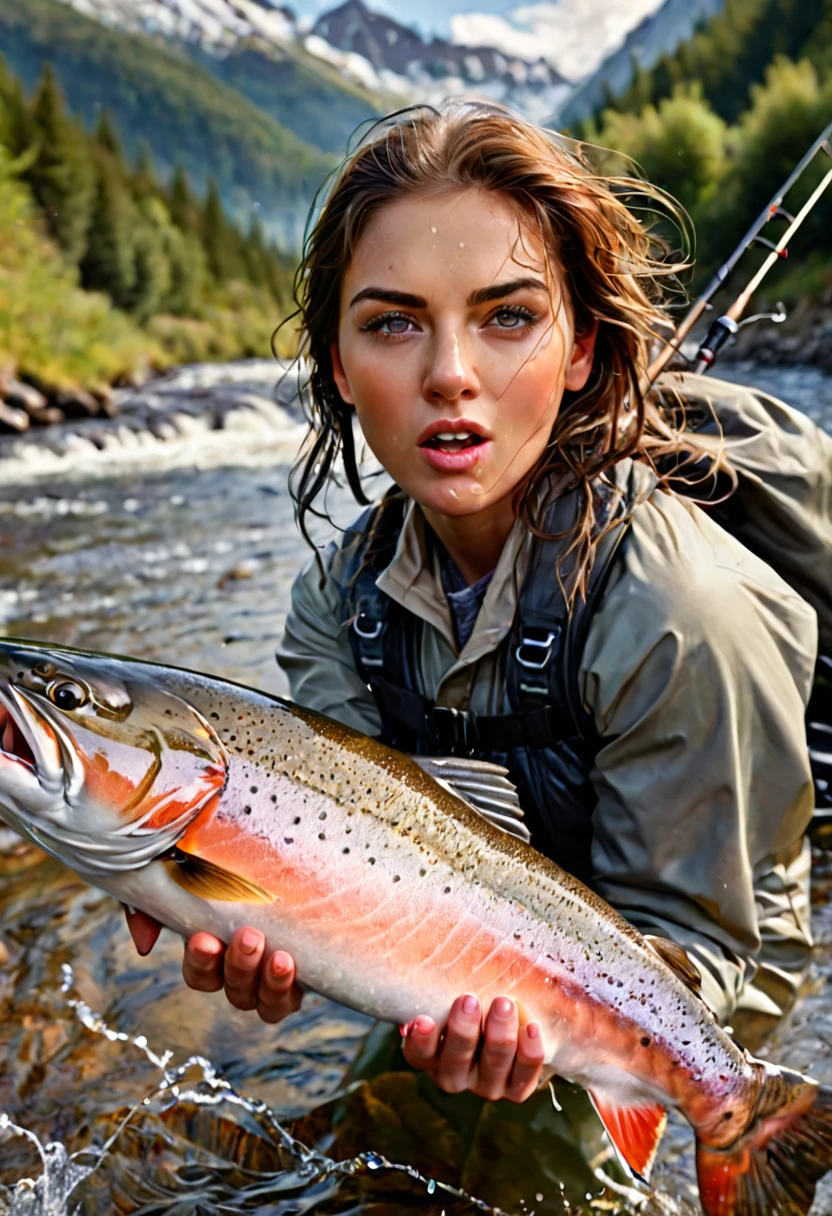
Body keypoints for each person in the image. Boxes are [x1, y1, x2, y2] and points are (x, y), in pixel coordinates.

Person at [126, 100, 821, 1112]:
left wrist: (603, 1061)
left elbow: (703, 946)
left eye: (507, 317)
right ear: (336, 364)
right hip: (476, 921)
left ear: (579, 351)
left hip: (696, 949)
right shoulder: (337, 604)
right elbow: (345, 881)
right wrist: (265, 925)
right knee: (373, 1152)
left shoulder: (680, 608)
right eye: (393, 324)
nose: (449, 375)